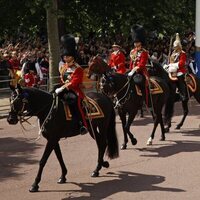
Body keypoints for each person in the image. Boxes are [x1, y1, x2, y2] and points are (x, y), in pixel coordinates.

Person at [55, 34, 88, 135]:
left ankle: (82, 124)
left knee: (74, 102)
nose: (65, 58)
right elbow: (62, 79)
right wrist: (60, 87)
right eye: (64, 56)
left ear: (72, 57)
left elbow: (74, 83)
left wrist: (63, 88)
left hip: (75, 91)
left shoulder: (77, 68)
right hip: (64, 89)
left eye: (67, 56)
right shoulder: (64, 67)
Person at [163, 33, 188, 102]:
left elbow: (181, 63)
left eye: (175, 46)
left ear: (178, 46)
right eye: (174, 46)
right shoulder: (173, 53)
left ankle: (183, 94)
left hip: (180, 69)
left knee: (179, 77)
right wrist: (168, 64)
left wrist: (173, 65)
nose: (174, 48)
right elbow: (170, 61)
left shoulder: (182, 53)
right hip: (172, 69)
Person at [128, 25, 149, 103]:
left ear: (141, 42)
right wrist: (130, 70)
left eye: (137, 42)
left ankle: (144, 100)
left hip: (141, 71)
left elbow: (142, 64)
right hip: (132, 71)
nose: (136, 44)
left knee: (141, 84)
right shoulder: (132, 52)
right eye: (135, 42)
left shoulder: (144, 52)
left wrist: (134, 70)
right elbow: (131, 62)